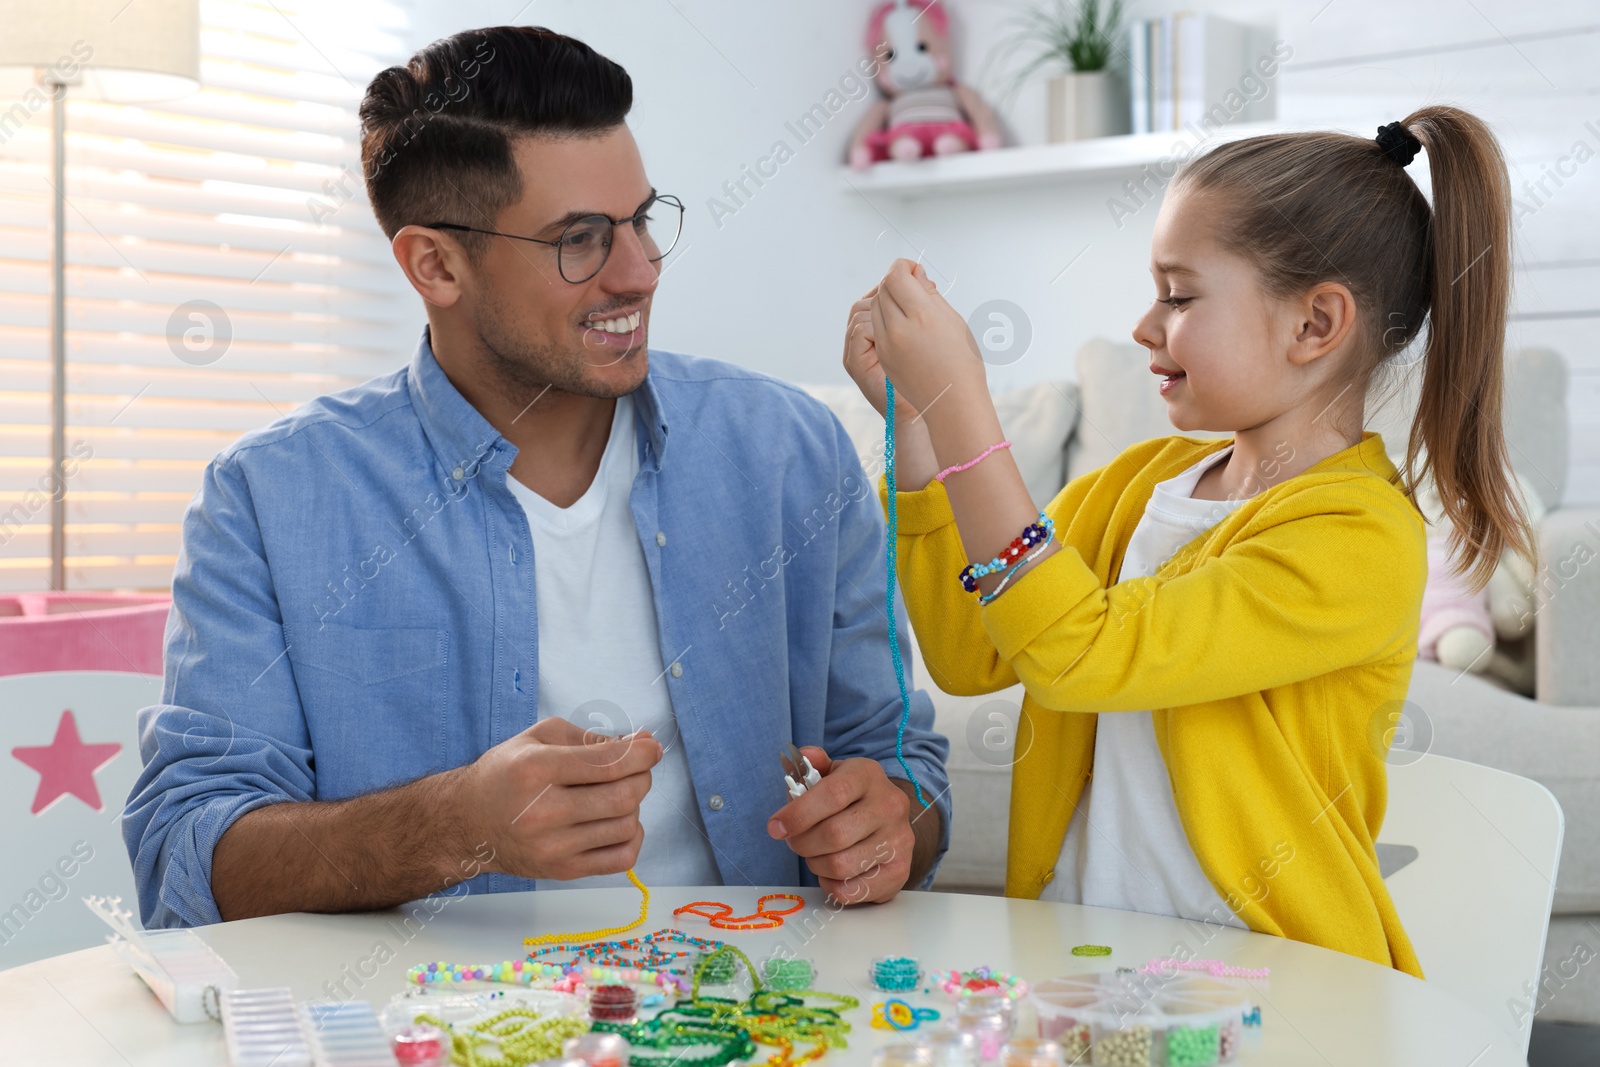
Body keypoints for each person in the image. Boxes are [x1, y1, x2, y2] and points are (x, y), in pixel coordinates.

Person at [123, 25, 950, 928]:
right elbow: (186, 851)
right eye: (581, 239)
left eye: (642, 219)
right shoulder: (269, 498)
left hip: (760, 1008)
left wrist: (890, 822)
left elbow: (905, 770)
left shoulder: (791, 450)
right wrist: (453, 826)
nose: (639, 272)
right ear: (433, 264)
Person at [843, 105, 1535, 977]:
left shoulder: (1359, 538)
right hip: (1086, 973)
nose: (1144, 325)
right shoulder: (1138, 482)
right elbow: (970, 651)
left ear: (1316, 325)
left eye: (1179, 294)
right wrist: (915, 427)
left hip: (1279, 996)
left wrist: (963, 407)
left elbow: (1079, 655)